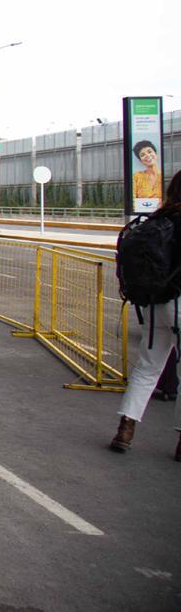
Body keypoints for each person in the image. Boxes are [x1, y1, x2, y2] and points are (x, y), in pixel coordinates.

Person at [110, 169, 181, 459]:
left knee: (147, 368)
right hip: (180, 301)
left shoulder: (157, 220)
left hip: (154, 304)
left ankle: (125, 429)